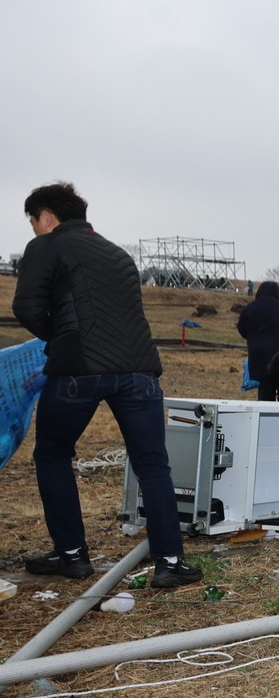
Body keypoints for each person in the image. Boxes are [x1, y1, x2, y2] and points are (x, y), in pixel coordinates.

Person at [12, 182, 199, 587]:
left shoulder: (46, 246)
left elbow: (25, 307)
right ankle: (170, 561)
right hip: (139, 372)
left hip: (79, 370)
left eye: (32, 221)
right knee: (152, 462)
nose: (32, 230)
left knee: (53, 454)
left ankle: (72, 554)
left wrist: (61, 337)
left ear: (46, 216)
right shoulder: (117, 254)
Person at [237, 281, 279, 402]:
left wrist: (253, 339)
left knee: (264, 386)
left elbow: (241, 327)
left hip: (257, 352)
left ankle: (264, 410)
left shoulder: (250, 308)